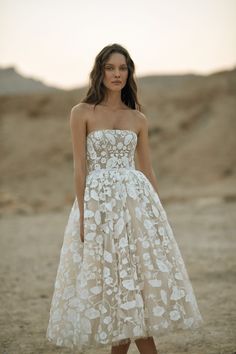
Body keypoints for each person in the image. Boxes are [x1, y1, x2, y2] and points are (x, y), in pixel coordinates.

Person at [46, 43, 203, 354]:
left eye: (122, 68)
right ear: (100, 72)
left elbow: (146, 169)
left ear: (129, 73)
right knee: (113, 285)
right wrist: (84, 216)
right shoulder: (81, 113)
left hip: (137, 207)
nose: (117, 74)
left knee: (136, 283)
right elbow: (80, 168)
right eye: (110, 68)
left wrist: (159, 217)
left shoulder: (138, 118)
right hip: (100, 208)